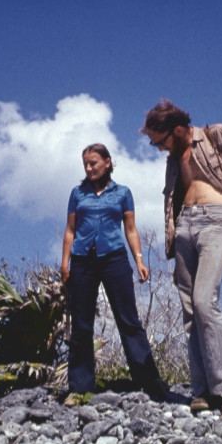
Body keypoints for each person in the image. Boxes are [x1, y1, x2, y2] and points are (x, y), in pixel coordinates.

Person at [141, 99, 222, 422]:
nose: (159, 148)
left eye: (161, 141)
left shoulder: (215, 135)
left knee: (204, 301)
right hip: (184, 226)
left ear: (178, 128)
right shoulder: (173, 159)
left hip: (217, 217)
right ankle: (204, 389)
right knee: (188, 308)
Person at [60, 143, 168, 405]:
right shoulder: (77, 193)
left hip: (114, 259)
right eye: (85, 164)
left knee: (128, 319)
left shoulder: (122, 193)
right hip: (83, 260)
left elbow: (130, 229)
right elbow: (70, 230)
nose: (89, 168)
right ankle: (80, 388)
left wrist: (139, 260)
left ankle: (148, 381)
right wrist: (65, 264)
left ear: (107, 162)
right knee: (82, 324)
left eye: (93, 163)